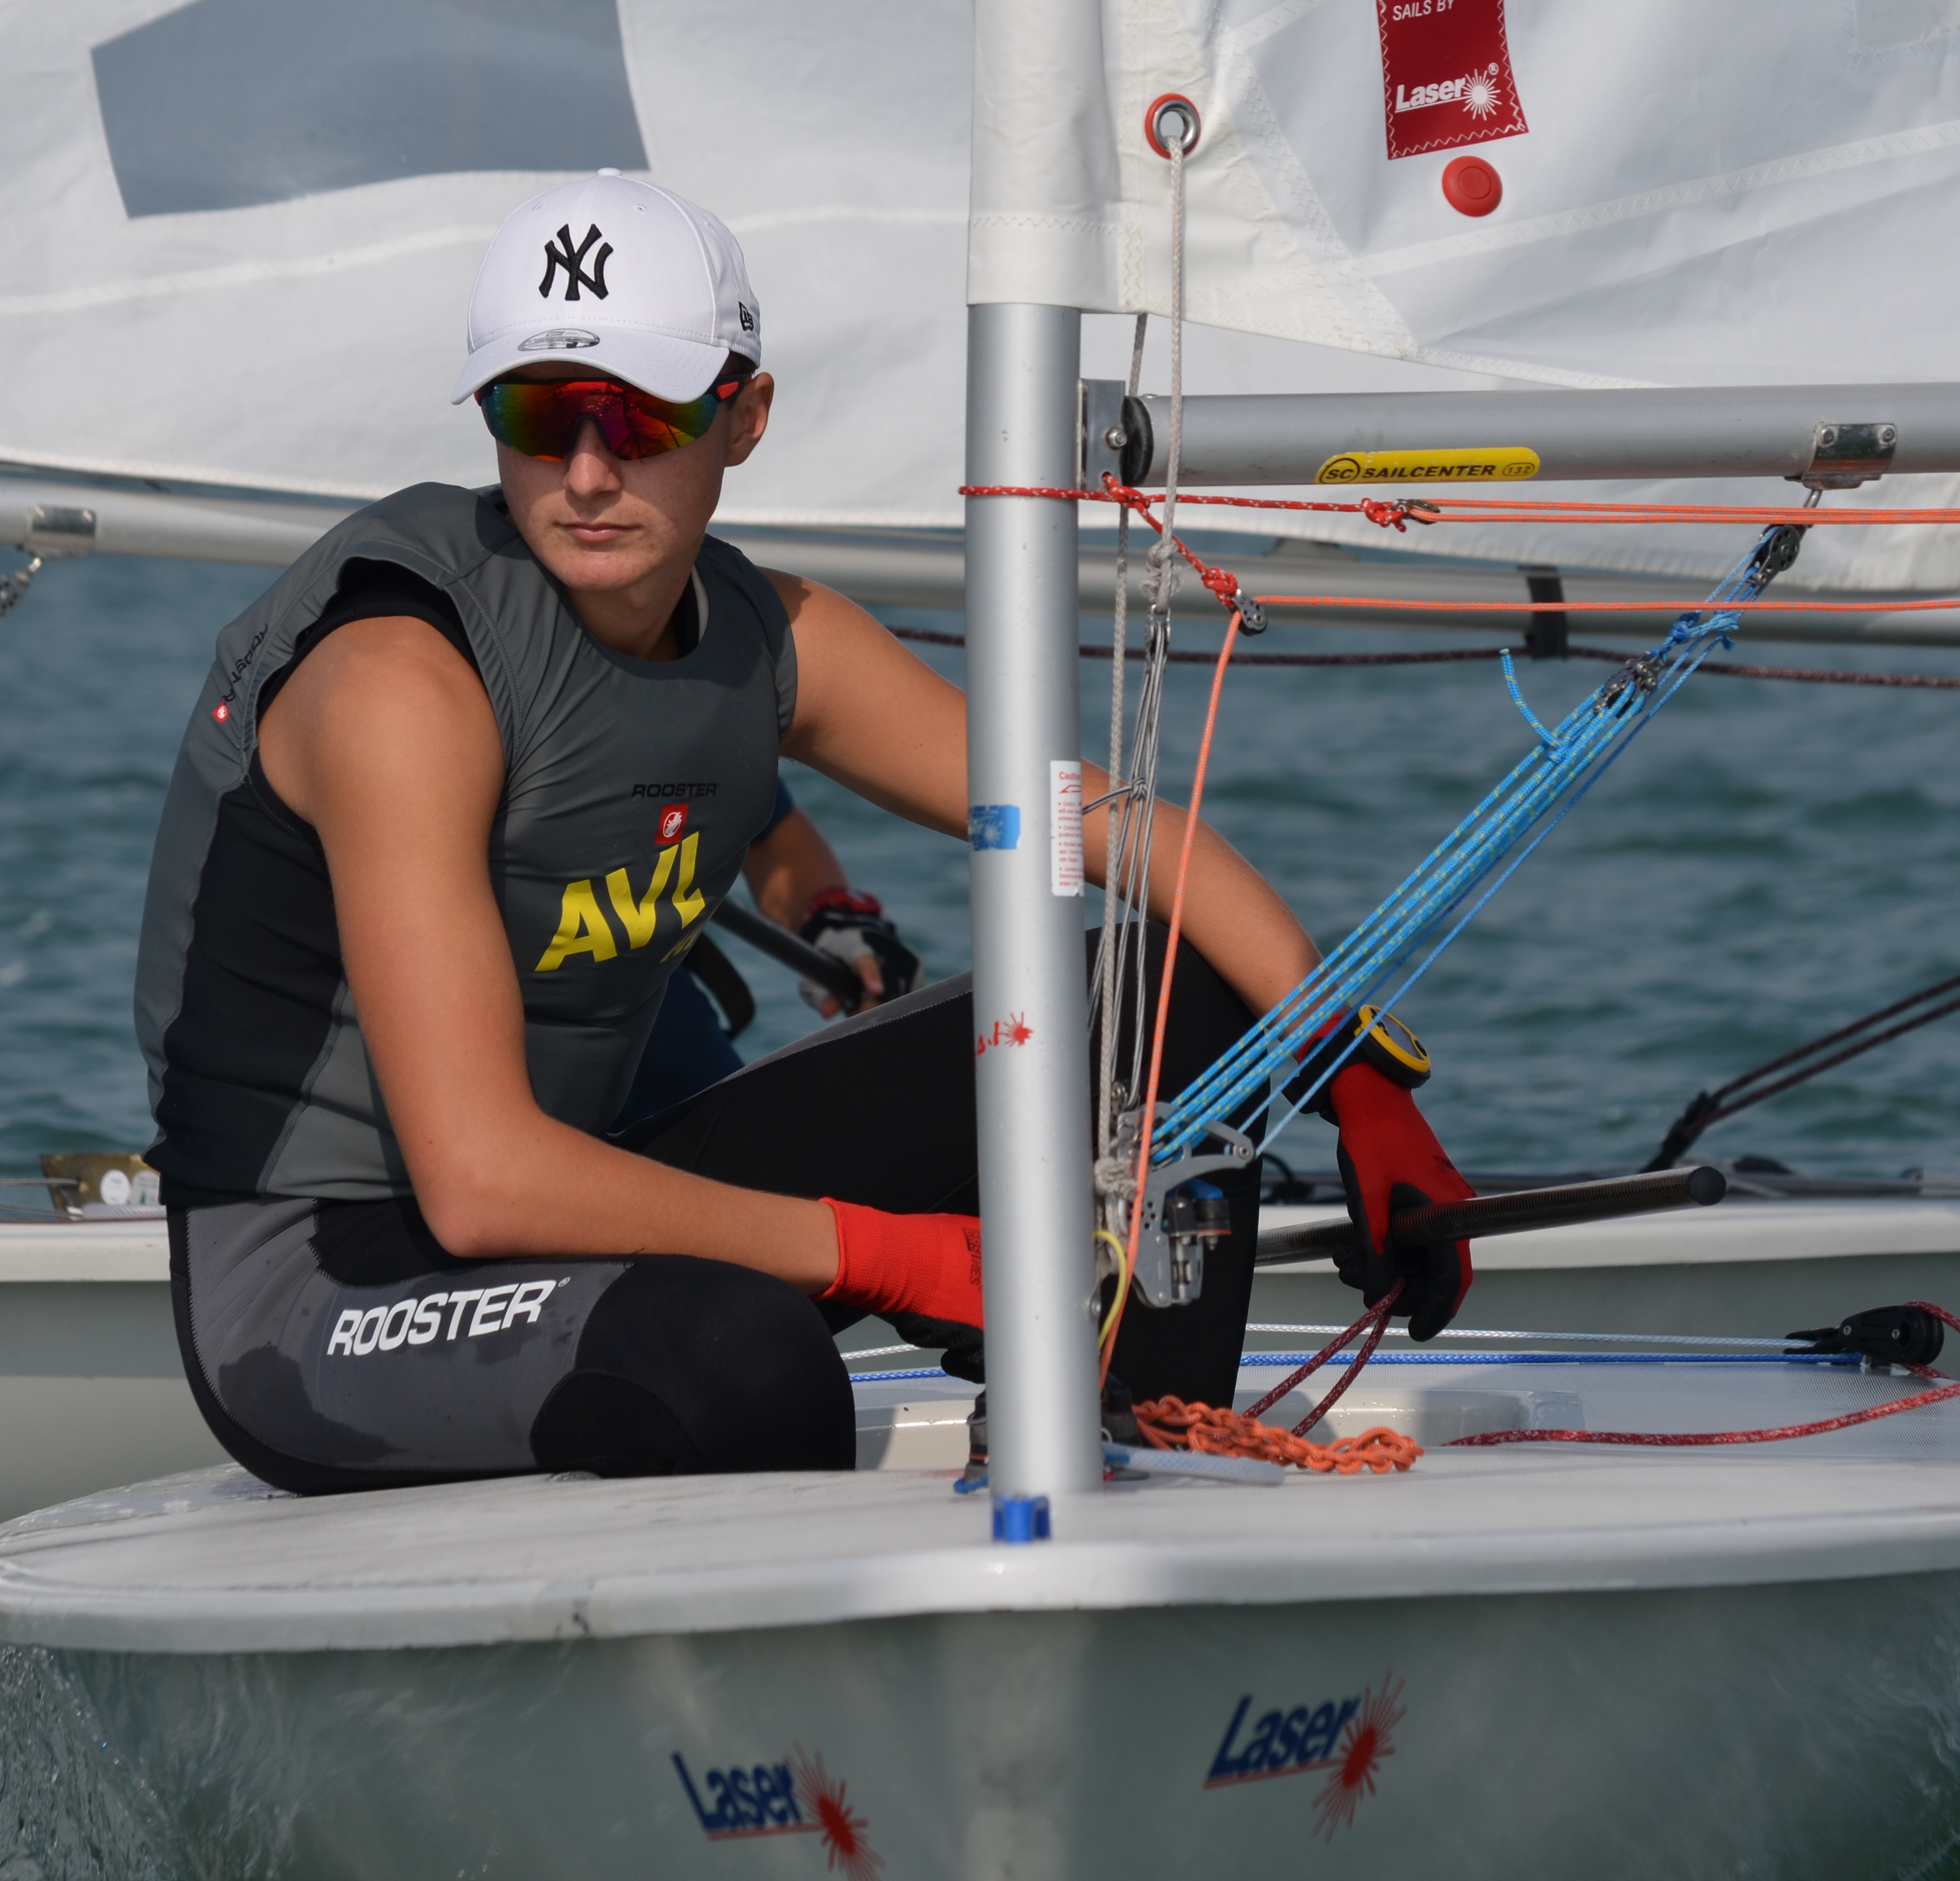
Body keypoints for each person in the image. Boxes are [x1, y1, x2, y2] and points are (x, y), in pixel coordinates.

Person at [134, 171, 1476, 1493]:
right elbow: (481, 1184)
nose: (587, 472)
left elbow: (1117, 827)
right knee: (748, 1363)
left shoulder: (780, 641)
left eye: (639, 414)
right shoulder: (398, 684)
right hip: (325, 1287)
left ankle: (1137, 1452)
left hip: (570, 1205)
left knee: (1155, 998)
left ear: (745, 416)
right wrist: (901, 1258)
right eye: (539, 414)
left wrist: (1356, 1080)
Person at [610, 777, 921, 1129]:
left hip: (651, 994)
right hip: (540, 1010)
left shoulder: (688, 729)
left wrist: (838, 925)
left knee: (751, 1149)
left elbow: (765, 829)